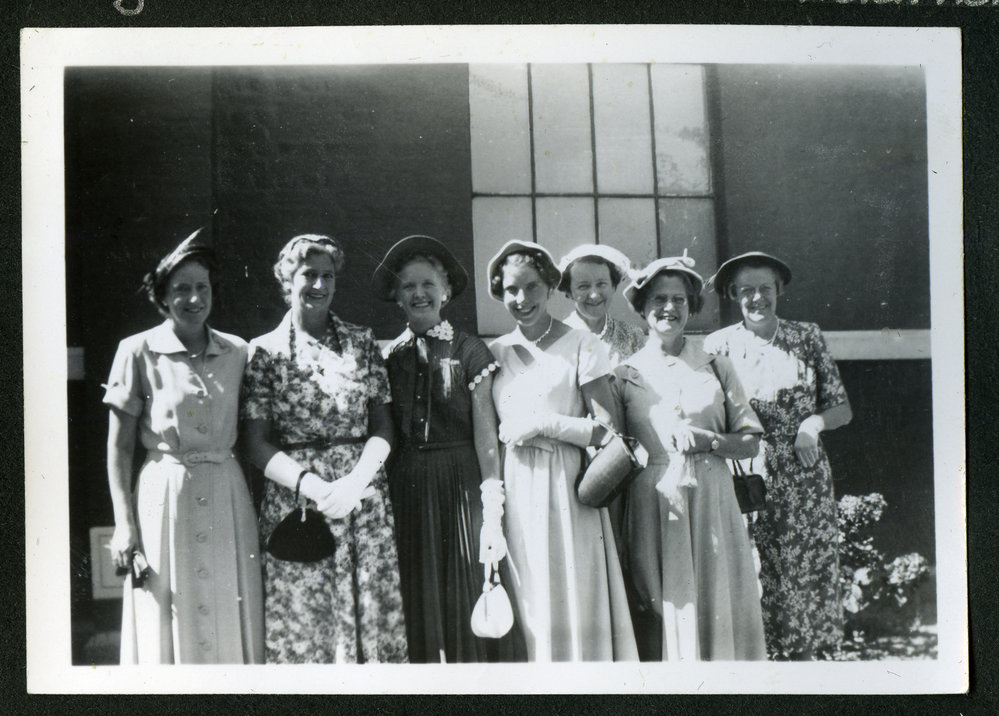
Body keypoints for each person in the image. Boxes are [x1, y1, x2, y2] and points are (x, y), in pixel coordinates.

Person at [240, 234, 407, 664]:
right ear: (286, 279)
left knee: (370, 615)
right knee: (305, 621)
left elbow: (383, 426)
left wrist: (354, 482)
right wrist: (316, 488)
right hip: (300, 506)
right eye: (308, 275)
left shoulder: (362, 341)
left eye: (327, 276)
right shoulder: (266, 351)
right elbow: (256, 443)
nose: (319, 285)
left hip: (362, 500)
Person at [103, 228, 264, 664]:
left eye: (202, 288)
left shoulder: (239, 352)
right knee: (166, 610)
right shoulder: (136, 351)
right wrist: (124, 525)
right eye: (181, 290)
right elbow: (118, 448)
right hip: (164, 497)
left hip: (227, 495)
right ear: (161, 297)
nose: (194, 299)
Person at [374, 235, 524, 663]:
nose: (419, 294)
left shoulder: (470, 350)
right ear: (396, 296)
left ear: (446, 291)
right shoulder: (390, 357)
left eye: (428, 284)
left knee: (463, 580)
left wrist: (490, 505)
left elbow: (485, 435)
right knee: (416, 585)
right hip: (407, 488)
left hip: (459, 485)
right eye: (408, 286)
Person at [486, 239, 638, 662]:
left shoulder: (582, 345)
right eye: (511, 289)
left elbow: (609, 431)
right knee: (531, 599)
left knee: (574, 594)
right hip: (517, 490)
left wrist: (546, 424)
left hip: (568, 490)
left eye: (532, 287)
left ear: (552, 286)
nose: (522, 299)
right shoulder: (493, 353)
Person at [613, 253, 766, 661]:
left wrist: (710, 441)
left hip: (713, 498)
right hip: (653, 503)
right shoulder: (625, 374)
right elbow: (613, 447)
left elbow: (750, 441)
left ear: (691, 306)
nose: (669, 308)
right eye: (659, 299)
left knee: (718, 601)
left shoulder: (717, 365)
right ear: (643, 307)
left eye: (679, 299)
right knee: (661, 608)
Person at [703, 251, 852, 660]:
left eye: (764, 289)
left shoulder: (807, 336)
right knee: (753, 568)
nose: (756, 299)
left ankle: (802, 667)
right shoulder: (718, 345)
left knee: (801, 574)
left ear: (778, 290)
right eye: (746, 291)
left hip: (803, 472)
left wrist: (812, 425)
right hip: (748, 472)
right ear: (734, 294)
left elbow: (841, 407)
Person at [557, 243, 647, 366]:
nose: (594, 295)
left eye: (601, 284)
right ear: (569, 291)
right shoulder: (557, 340)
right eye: (583, 286)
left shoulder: (633, 337)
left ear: (613, 286)